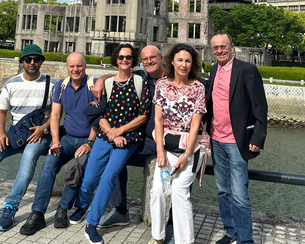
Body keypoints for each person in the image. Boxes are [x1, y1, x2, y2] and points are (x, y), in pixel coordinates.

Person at [0, 44, 57, 231]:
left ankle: (11, 206)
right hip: (15, 133)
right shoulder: (11, 84)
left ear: (41, 61)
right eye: (28, 59)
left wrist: (44, 128)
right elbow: (0, 111)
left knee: (29, 158)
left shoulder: (52, 84)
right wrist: (0, 134)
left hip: (39, 134)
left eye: (36, 59)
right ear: (22, 62)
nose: (32, 63)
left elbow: (56, 114)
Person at [73, 43, 151, 244]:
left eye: (128, 57)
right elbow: (100, 114)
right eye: (121, 57)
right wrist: (110, 132)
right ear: (115, 60)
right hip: (105, 135)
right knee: (89, 179)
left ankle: (92, 223)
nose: (125, 60)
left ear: (133, 60)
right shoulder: (108, 84)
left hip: (128, 138)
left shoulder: (140, 81)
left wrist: (120, 131)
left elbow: (143, 116)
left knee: (108, 177)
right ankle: (81, 206)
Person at [19, 52, 98, 235]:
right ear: (67, 68)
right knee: (48, 166)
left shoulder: (93, 85)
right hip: (67, 138)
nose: (75, 69)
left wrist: (89, 142)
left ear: (85, 67)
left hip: (87, 140)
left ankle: (63, 208)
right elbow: (55, 115)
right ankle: (37, 213)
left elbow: (99, 118)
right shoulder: (61, 86)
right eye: (72, 66)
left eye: (79, 66)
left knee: (74, 167)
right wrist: (55, 141)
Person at [93, 45, 164, 228]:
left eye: (153, 57)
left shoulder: (171, 79)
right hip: (140, 136)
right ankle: (120, 209)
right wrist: (101, 79)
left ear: (161, 57)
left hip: (164, 138)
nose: (149, 61)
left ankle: (168, 221)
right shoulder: (142, 76)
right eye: (145, 59)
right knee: (115, 156)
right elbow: (120, 74)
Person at [207, 33, 268, 244]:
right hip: (216, 139)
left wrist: (258, 138)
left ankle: (245, 240)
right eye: (215, 48)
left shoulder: (247, 70)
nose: (219, 51)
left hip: (237, 141)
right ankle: (230, 231)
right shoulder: (213, 69)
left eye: (223, 47)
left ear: (232, 47)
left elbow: (260, 106)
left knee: (240, 195)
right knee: (223, 191)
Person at [149, 44, 210, 244]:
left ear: (192, 64)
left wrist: (187, 155)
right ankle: (157, 237)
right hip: (166, 148)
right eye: (180, 60)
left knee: (179, 193)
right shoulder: (162, 85)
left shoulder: (198, 88)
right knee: (158, 190)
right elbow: (158, 120)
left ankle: (185, 241)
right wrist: (159, 151)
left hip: (191, 148)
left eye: (188, 61)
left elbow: (195, 125)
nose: (184, 65)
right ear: (172, 62)